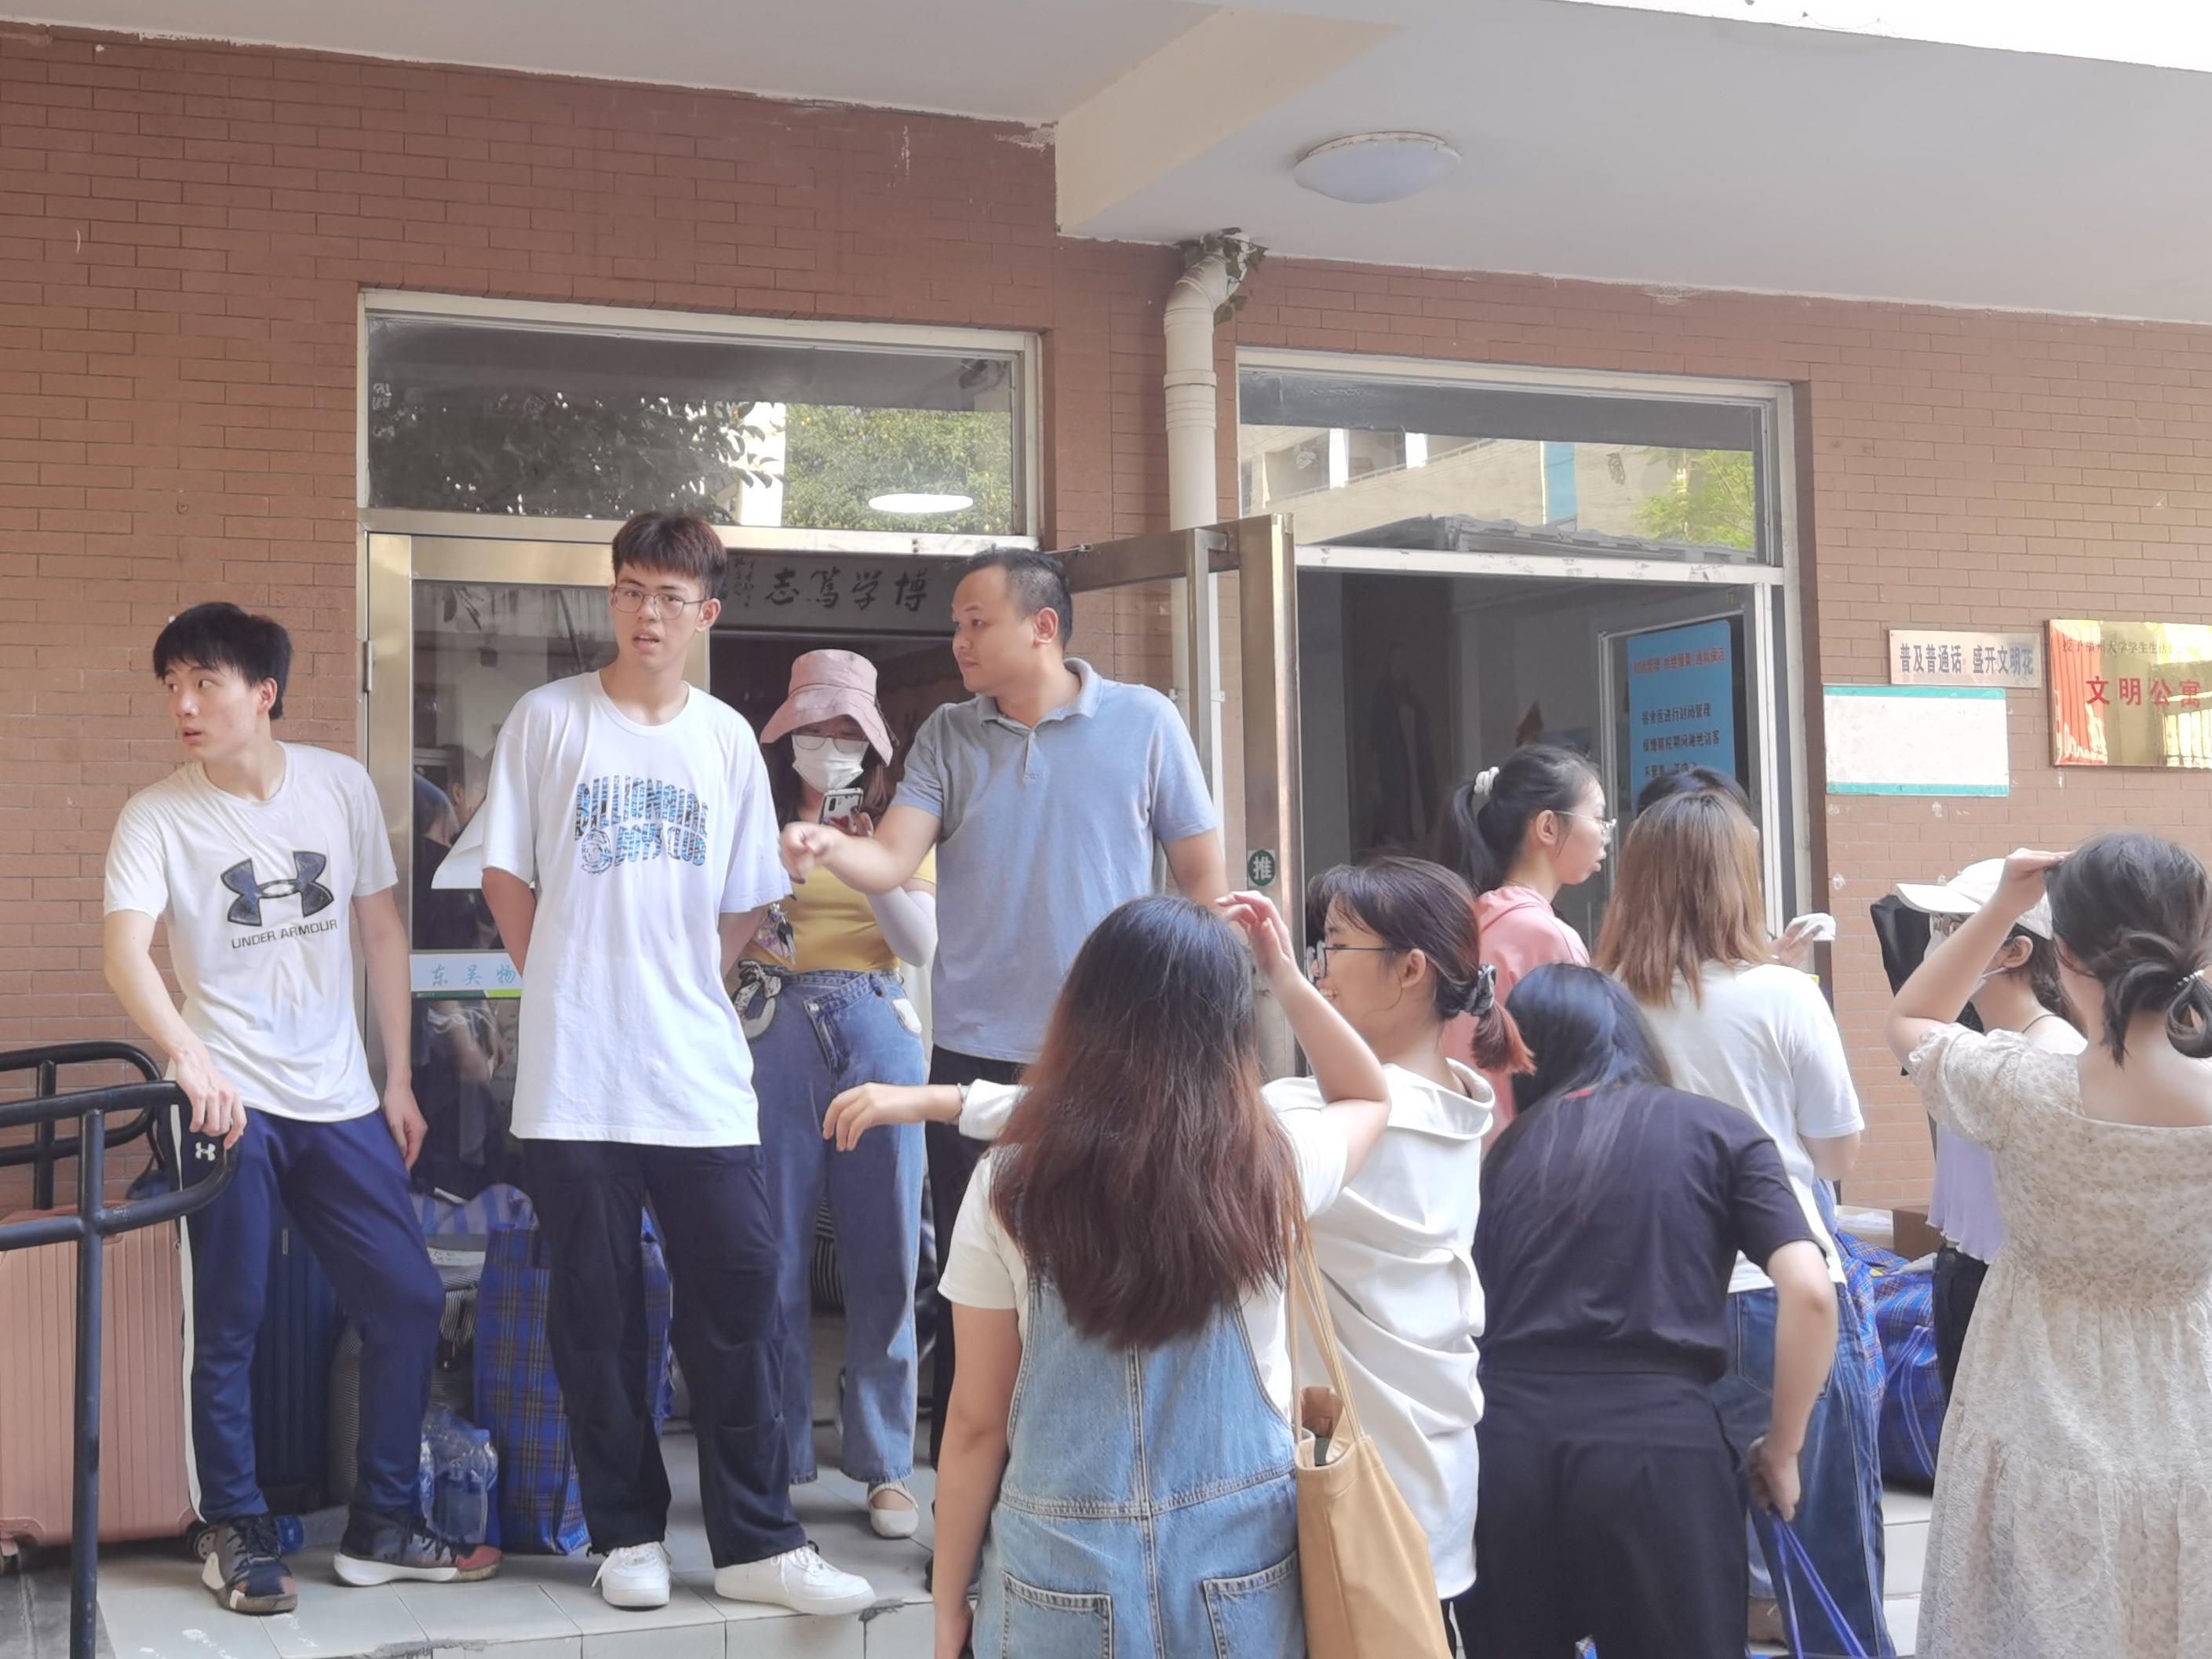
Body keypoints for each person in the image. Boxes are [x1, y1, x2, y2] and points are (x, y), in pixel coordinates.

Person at [476, 513, 873, 1616]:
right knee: (595, 1311)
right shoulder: (547, 718)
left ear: (705, 613)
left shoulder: (725, 738)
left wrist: (685, 978)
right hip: (575, 1078)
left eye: (668, 596)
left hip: (696, 1071)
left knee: (739, 1295)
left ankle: (756, 1541)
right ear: (612, 597)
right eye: (629, 590)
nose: (645, 613)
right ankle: (625, 1535)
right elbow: (505, 873)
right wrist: (561, 977)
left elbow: (747, 895)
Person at [778, 549, 1225, 1459]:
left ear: (1042, 626)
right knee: (974, 1288)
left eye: (976, 621)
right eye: (956, 622)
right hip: (971, 1053)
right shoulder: (948, 732)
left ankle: (1096, 1475)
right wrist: (825, 845)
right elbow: (890, 858)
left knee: (1099, 1275)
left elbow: (1203, 883)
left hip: (1109, 1056)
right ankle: (971, 1506)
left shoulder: (1144, 720)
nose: (959, 639)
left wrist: (1194, 1030)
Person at [101, 603, 497, 1613]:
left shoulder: (340, 785)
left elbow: (381, 930)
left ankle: (382, 1522)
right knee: (229, 1320)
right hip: (225, 1101)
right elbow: (124, 951)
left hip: (340, 1097)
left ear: (264, 691)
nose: (185, 705)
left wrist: (396, 1076)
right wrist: (189, 1056)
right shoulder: (156, 814)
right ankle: (234, 1529)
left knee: (406, 1297)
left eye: (205, 682)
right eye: (173, 686)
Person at [930, 891, 1393, 1659]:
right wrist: (1281, 973)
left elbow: (974, 1423)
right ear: (1230, 1037)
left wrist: (949, 1603)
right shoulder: (1272, 1167)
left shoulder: (1006, 1185)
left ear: (1080, 1015)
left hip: (1055, 1574)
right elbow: (1366, 1093)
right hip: (1242, 1566)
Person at [1886, 837, 2212, 1657]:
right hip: (2187, 1401)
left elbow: (1910, 1020)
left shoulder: (2022, 1087)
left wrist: (2003, 901)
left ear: (2059, 952)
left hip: (2030, 1398)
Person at [1593, 789, 1892, 1657]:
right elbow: (1834, 1153)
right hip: (1780, 1293)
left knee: (1677, 1577)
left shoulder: (1604, 999)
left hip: (1651, 1302)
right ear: (1737, 880)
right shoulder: (1784, 995)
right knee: (1827, 1557)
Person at [1466, 964, 1836, 1659]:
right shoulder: (1722, 1133)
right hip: (1658, 1450)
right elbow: (1811, 1292)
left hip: (1507, 1447)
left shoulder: (1508, 1154)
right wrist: (1782, 1449)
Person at [739, 649, 937, 1540]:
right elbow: (720, 929)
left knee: (886, 1245)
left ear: (873, 743)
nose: (829, 745)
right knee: (771, 1247)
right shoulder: (752, 817)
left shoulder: (898, 824)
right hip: (770, 1021)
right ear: (785, 735)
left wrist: (862, 859)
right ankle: (779, 1453)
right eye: (814, 728)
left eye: (846, 731)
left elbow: (919, 944)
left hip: (876, 1022)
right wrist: (780, 864)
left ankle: (886, 1463)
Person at [1891, 857, 2083, 1395]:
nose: (1938, 943)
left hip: (2008, 1286)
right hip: (1967, 1271)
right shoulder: (1977, 1051)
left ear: (2015, 951)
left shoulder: (2053, 1052)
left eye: (1955, 927)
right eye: (1938, 926)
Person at [1438, 744, 1609, 1125]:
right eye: (1598, 818)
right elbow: (1583, 1078)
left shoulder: (1470, 918)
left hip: (1468, 1144)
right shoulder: (1549, 938)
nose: (1604, 833)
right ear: (1548, 827)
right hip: (1526, 1148)